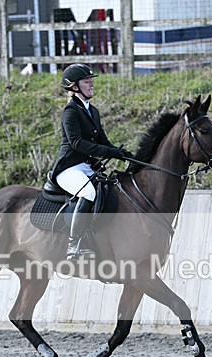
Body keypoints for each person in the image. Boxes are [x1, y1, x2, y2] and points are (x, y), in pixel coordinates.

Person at [50, 64, 132, 259]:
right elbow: (77, 143)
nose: (92, 84)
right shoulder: (70, 112)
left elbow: (102, 139)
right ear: (74, 87)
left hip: (85, 167)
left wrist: (121, 153)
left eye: (91, 81)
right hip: (68, 169)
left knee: (108, 190)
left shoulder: (92, 111)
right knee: (88, 192)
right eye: (87, 82)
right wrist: (109, 151)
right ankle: (73, 243)